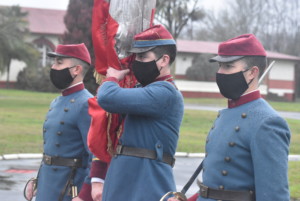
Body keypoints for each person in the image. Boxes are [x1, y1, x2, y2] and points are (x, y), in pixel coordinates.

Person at [169, 34, 291, 201]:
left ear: (252, 73)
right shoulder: (227, 113)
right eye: (220, 66)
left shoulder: (267, 122)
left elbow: (273, 196)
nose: (220, 73)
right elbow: (215, 187)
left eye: (228, 66)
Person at [94, 24, 184, 201]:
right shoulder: (143, 89)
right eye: (136, 57)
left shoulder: (166, 93)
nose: (136, 62)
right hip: (123, 181)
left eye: (143, 57)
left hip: (146, 183)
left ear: (164, 60)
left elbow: (106, 97)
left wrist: (112, 77)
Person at [25, 43, 94, 201]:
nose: (54, 67)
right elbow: (51, 150)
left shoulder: (87, 103)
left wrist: (85, 194)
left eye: (59, 63)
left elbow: (94, 154)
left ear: (77, 70)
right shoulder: (56, 101)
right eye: (54, 62)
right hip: (47, 185)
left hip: (69, 187)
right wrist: (38, 180)